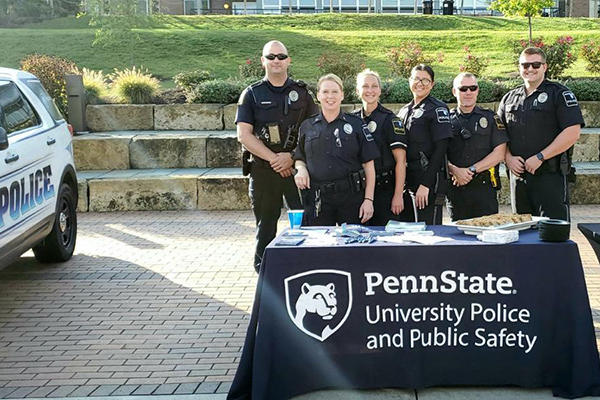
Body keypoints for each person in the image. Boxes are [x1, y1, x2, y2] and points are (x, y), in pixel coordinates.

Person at [236, 40, 319, 272]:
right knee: (265, 229)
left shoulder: (302, 93)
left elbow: (314, 132)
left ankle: (305, 272)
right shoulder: (251, 94)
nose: (276, 61)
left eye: (281, 56)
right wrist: (276, 159)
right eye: (271, 57)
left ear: (288, 60)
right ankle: (265, 278)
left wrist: (290, 157)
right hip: (264, 172)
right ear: (263, 61)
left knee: (304, 226)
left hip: (296, 172)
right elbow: (244, 134)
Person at [497, 47, 584, 221]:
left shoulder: (559, 94)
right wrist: (508, 158)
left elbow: (572, 132)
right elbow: (499, 135)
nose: (530, 69)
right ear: (519, 67)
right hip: (519, 177)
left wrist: (540, 157)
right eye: (525, 65)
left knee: (552, 232)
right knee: (521, 231)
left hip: (550, 176)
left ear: (545, 67)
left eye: (536, 64)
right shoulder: (509, 98)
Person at [294, 73, 379, 226]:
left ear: (342, 95)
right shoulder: (307, 126)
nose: (330, 96)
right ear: (318, 95)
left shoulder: (356, 125)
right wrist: (301, 170)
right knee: (319, 247)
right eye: (325, 92)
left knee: (352, 245)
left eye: (334, 91)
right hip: (318, 198)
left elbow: (369, 166)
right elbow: (299, 158)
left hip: (351, 198)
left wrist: (369, 200)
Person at [446, 72, 509, 221]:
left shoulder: (490, 117)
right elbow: (439, 152)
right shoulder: (445, 120)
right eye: (463, 89)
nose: (468, 92)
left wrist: (471, 171)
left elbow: (500, 152)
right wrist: (454, 169)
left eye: (472, 88)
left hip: (484, 187)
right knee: (460, 237)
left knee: (488, 237)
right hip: (456, 188)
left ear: (477, 91)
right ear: (455, 92)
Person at [352, 69, 410, 226]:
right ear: (358, 91)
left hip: (385, 191)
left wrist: (398, 195)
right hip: (359, 190)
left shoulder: (390, 120)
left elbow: (401, 161)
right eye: (365, 86)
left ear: (380, 90)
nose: (370, 90)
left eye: (374, 86)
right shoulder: (351, 121)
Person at [397, 64, 453, 225]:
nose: (420, 83)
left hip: (428, 181)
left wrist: (426, 184)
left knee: (429, 233)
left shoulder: (437, 109)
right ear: (409, 81)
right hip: (409, 180)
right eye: (416, 79)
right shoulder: (404, 111)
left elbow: (441, 149)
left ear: (432, 84)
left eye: (425, 80)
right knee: (409, 231)